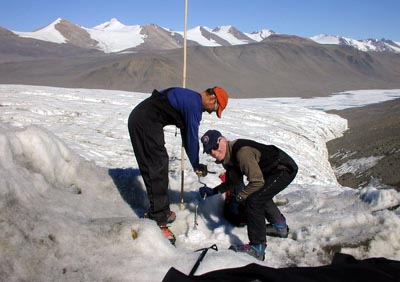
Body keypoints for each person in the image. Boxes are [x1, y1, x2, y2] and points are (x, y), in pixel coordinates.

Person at [128, 87, 229, 244]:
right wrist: (195, 163)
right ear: (212, 99)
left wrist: (194, 161)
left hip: (143, 119)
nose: (211, 112)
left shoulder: (190, 100)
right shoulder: (194, 105)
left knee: (155, 163)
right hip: (145, 122)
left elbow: (186, 132)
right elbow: (191, 137)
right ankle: (159, 220)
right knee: (157, 165)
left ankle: (159, 211)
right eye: (215, 109)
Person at [199, 130, 298, 260]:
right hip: (272, 170)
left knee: (254, 199)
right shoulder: (229, 157)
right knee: (261, 194)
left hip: (283, 168)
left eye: (215, 147)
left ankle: (257, 248)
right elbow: (233, 182)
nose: (213, 152)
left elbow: (257, 182)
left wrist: (241, 197)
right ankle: (280, 227)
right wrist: (214, 191)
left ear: (222, 140)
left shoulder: (241, 152)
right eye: (209, 150)